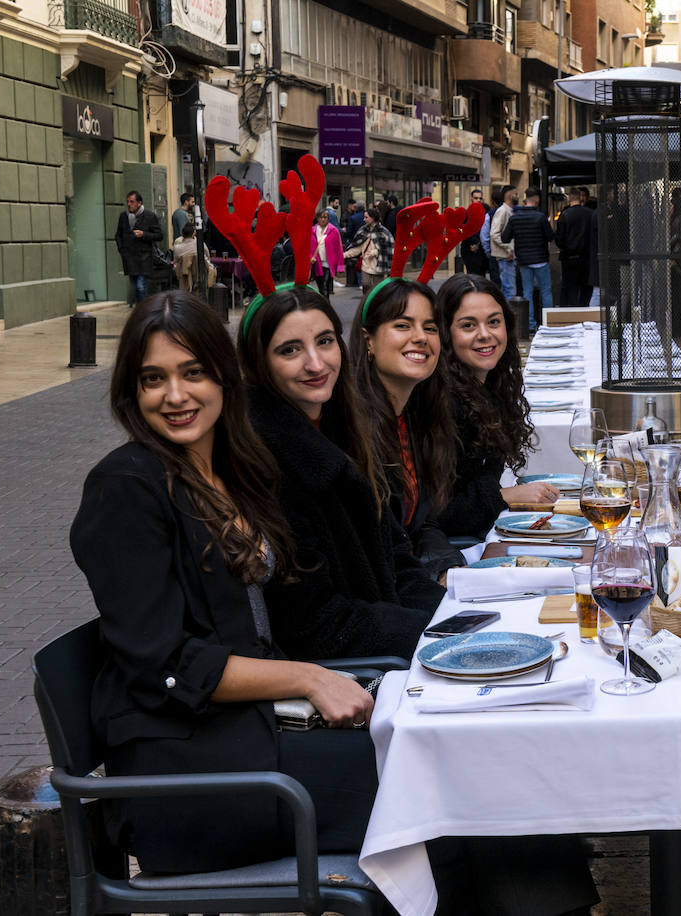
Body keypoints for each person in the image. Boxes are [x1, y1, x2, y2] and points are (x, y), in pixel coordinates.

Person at [69, 290, 380, 875]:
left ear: (225, 379)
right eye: (152, 378)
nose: (176, 396)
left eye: (193, 373)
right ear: (131, 392)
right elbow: (166, 662)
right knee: (428, 797)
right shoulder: (126, 488)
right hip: (190, 778)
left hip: (257, 740)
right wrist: (308, 677)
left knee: (434, 767)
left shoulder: (235, 470)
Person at [238, 285, 445, 661]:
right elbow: (312, 623)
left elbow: (395, 554)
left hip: (394, 643)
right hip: (352, 677)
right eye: (290, 350)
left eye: (325, 341)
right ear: (259, 363)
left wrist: (451, 617)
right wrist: (431, 635)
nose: (316, 364)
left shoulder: (345, 429)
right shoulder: (265, 463)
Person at [348, 277, 465, 578]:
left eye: (429, 327)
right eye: (402, 325)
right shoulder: (353, 429)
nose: (421, 337)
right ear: (368, 340)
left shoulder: (418, 415)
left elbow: (423, 522)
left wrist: (447, 569)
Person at [431, 274, 559, 539]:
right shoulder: (442, 401)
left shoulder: (491, 387)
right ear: (446, 333)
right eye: (468, 326)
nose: (485, 335)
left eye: (493, 322)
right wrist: (506, 495)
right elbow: (438, 511)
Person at [502, 187, 556, 329]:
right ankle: (549, 322)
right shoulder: (541, 217)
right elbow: (550, 236)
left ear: (526, 200)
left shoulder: (515, 218)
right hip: (541, 260)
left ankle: (530, 324)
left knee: (527, 292)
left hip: (524, 261)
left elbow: (505, 237)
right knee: (546, 291)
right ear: (537, 199)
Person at [114, 191, 162, 305]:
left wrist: (144, 234)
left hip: (144, 258)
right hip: (130, 258)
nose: (129, 204)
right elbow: (118, 235)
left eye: (132, 202)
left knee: (141, 286)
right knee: (135, 286)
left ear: (139, 203)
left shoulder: (149, 216)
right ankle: (140, 309)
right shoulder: (124, 216)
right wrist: (122, 249)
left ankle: (142, 310)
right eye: (128, 202)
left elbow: (159, 235)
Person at [344, 207, 395, 299]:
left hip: (379, 265)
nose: (364, 219)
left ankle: (376, 307)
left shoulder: (383, 232)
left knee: (377, 290)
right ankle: (366, 304)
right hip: (366, 264)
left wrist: (375, 252)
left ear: (373, 218)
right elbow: (357, 247)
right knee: (366, 284)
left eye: (366, 217)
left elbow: (388, 249)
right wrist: (345, 255)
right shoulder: (363, 230)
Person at [555, 188, 592, 305]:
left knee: (571, 288)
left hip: (569, 258)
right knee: (586, 288)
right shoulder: (590, 213)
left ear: (569, 198)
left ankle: (573, 313)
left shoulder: (564, 215)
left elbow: (559, 239)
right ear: (580, 198)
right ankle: (584, 312)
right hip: (586, 258)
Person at [489, 186, 518, 297]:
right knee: (509, 289)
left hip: (509, 255)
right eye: (516, 194)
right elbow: (494, 234)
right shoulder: (502, 211)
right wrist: (508, 248)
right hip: (505, 256)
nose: (518, 196)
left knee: (509, 287)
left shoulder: (510, 211)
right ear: (510, 196)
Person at [310, 209, 342, 297]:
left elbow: (338, 248)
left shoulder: (334, 231)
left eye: (325, 217)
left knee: (325, 287)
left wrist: (340, 265)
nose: (323, 219)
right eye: (321, 217)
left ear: (328, 218)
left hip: (328, 263)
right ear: (317, 218)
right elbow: (308, 247)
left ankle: (326, 306)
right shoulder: (312, 231)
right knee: (321, 287)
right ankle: (325, 305)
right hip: (317, 263)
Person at [459, 189, 490, 277]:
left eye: (480, 198)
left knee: (481, 276)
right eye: (476, 198)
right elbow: (464, 230)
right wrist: (473, 243)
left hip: (481, 249)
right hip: (469, 249)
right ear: (471, 199)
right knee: (472, 275)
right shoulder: (466, 213)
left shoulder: (485, 213)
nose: (478, 200)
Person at [170, 223, 209, 293]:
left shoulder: (177, 247)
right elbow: (207, 256)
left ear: (182, 234)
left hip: (184, 278)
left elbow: (175, 261)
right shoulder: (200, 245)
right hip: (199, 276)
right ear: (193, 234)